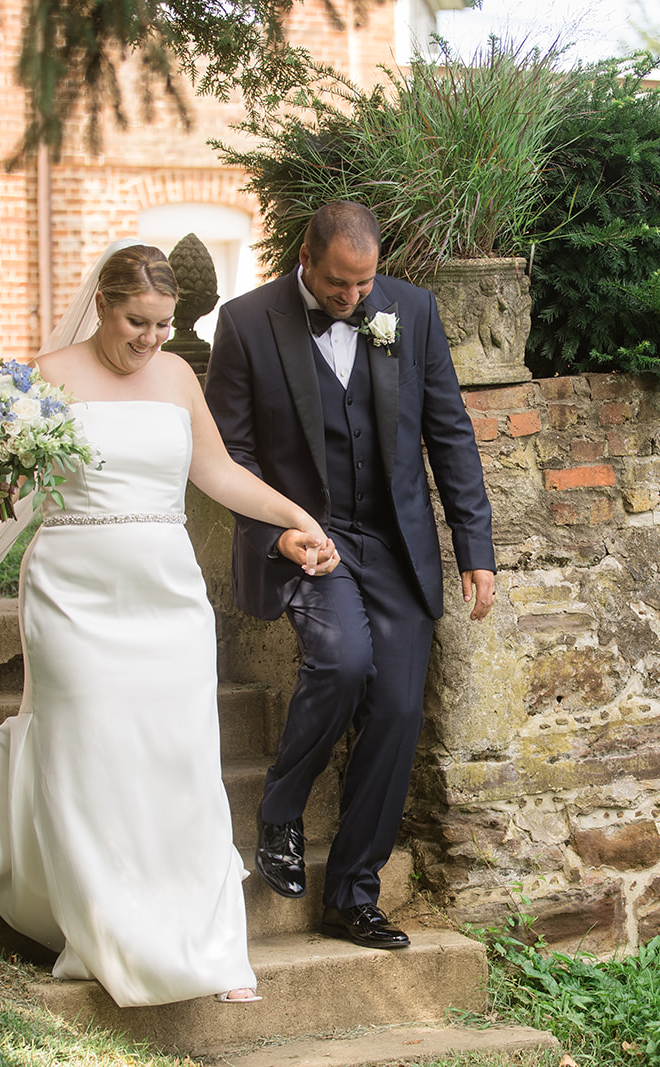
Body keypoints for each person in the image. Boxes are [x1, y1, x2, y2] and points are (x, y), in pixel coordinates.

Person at [0, 244, 338, 1007]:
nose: (150, 338)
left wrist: (294, 515)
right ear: (102, 305)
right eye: (136, 321)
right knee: (90, 752)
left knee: (177, 759)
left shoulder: (177, 375)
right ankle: (107, 930)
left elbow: (215, 472)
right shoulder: (45, 376)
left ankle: (206, 943)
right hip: (73, 593)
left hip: (165, 594)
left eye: (163, 323)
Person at [204, 201, 496, 950]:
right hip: (309, 536)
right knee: (341, 660)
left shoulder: (414, 311)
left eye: (364, 285)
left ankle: (353, 894)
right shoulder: (244, 324)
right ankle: (281, 806)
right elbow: (228, 455)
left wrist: (476, 545)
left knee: (398, 709)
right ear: (306, 257)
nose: (353, 298)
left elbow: (450, 431)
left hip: (394, 541)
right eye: (339, 283)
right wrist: (281, 534)